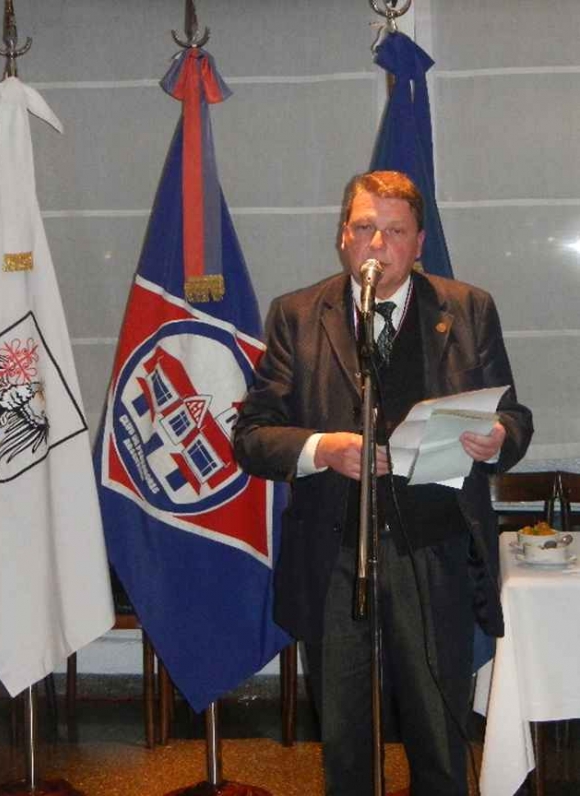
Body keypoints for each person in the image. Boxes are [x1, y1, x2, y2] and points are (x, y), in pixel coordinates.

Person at [233, 170, 533, 796]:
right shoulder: (297, 315)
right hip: (336, 557)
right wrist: (322, 449)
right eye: (365, 228)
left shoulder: (468, 308)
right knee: (345, 741)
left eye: (393, 232)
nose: (377, 245)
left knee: (439, 736)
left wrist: (499, 436)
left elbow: (515, 416)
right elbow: (253, 436)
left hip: (436, 551)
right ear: (343, 236)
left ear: (419, 242)